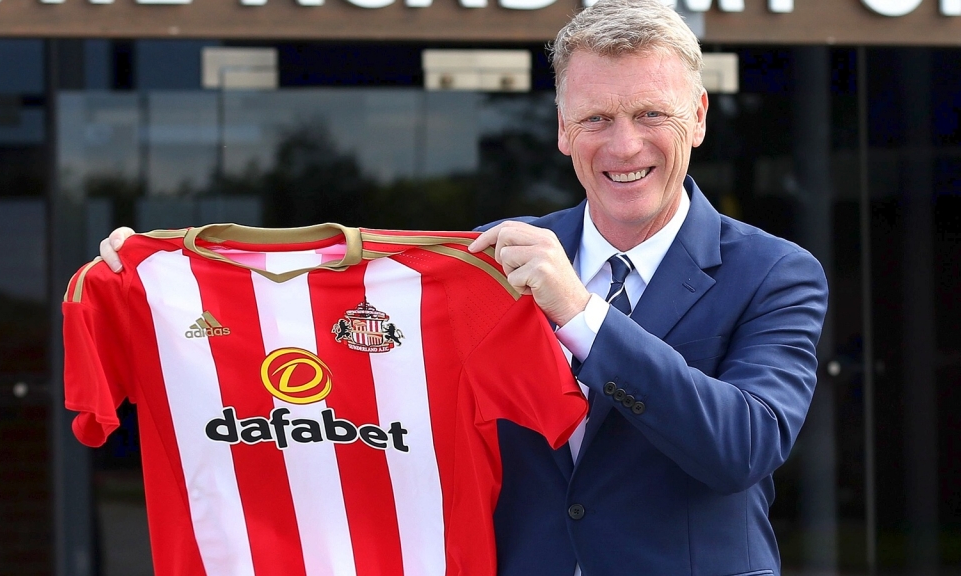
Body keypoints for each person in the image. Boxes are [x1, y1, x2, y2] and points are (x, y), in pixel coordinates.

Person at [99, 0, 827, 572]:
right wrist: (170, 272)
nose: (624, 145)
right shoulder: (489, 260)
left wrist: (579, 315)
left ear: (698, 116)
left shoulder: (776, 272)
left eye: (650, 115)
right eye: (596, 118)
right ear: (562, 130)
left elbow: (745, 444)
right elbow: (335, 314)